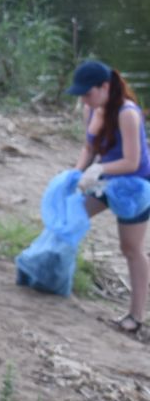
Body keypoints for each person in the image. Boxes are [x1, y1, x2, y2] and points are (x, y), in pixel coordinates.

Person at [67, 58, 150, 335]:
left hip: (134, 186)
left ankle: (136, 316)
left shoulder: (127, 113)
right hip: (103, 181)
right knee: (70, 217)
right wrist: (78, 173)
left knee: (130, 249)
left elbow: (132, 162)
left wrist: (99, 168)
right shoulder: (89, 109)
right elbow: (88, 148)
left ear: (104, 87)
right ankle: (56, 275)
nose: (85, 100)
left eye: (88, 94)